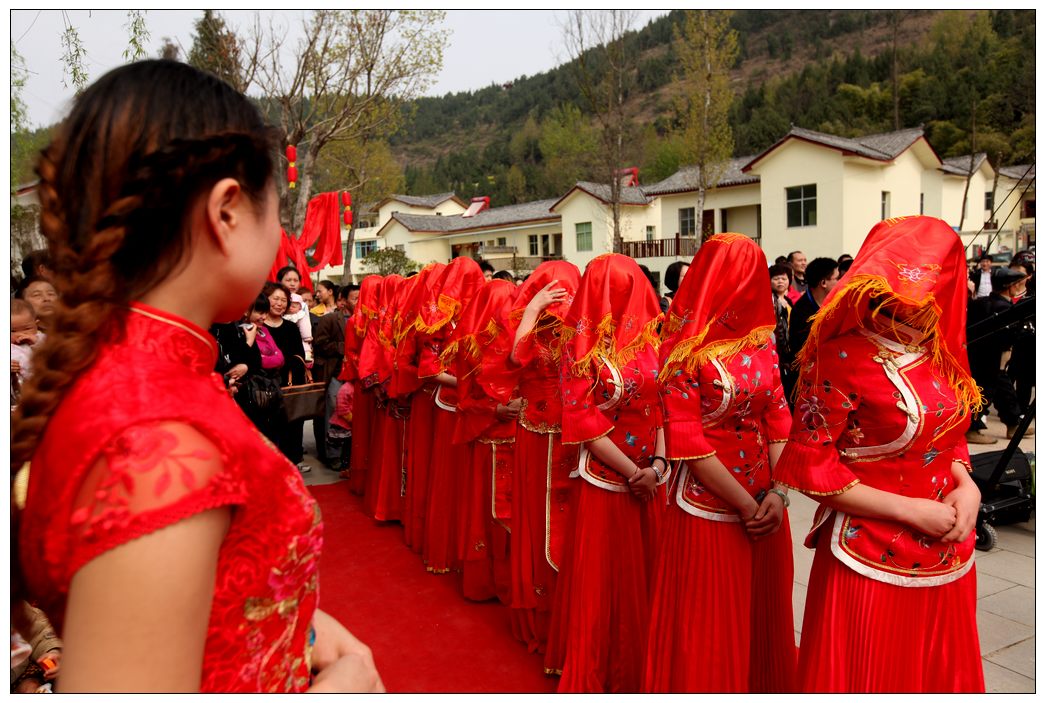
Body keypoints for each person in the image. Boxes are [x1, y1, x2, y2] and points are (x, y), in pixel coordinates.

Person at [11, 60, 380, 693]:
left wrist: (299, 627)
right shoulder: (159, 439)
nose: (281, 236)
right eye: (276, 211)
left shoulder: (131, 377)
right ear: (227, 212)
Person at [775, 216, 984, 693]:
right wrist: (909, 509)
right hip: (865, 550)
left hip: (948, 547)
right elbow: (811, 464)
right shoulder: (839, 355)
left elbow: (947, 438)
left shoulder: (940, 353)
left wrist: (967, 487)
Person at [644, 233, 796, 692]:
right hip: (708, 506)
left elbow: (778, 417)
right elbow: (687, 441)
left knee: (762, 614)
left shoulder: (761, 343)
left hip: (765, 502)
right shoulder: (680, 348)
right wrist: (750, 506)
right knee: (710, 622)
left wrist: (780, 493)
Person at [550, 253, 666, 693]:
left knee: (645, 580)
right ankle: (601, 669)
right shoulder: (578, 348)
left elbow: (663, 409)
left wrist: (656, 465)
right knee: (603, 587)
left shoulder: (649, 342)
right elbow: (581, 422)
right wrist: (633, 471)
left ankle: (641, 664)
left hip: (650, 478)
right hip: (605, 479)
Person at [482, 260, 581, 662]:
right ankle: (540, 615)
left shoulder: (583, 330)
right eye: (549, 291)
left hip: (576, 440)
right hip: (536, 438)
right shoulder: (529, 329)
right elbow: (511, 360)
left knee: (570, 528)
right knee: (537, 525)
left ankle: (572, 614)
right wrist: (533, 309)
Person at [966, 267, 1030, 443]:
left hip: (983, 356)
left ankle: (1013, 424)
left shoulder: (982, 302)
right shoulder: (1003, 308)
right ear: (1012, 286)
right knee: (985, 392)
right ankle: (971, 428)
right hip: (991, 358)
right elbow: (1008, 336)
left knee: (1003, 391)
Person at [263, 283, 312, 472]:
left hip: (291, 380)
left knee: (293, 420)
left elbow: (298, 355)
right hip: (268, 383)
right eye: (275, 298)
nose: (280, 304)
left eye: (284, 300)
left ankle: (294, 459)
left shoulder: (291, 327)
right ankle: (273, 461)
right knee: (271, 423)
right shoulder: (258, 326)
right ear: (266, 299)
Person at [313, 286, 350, 468]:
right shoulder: (329, 319)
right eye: (355, 297)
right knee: (334, 414)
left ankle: (349, 454)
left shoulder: (366, 320)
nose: (359, 301)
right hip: (336, 373)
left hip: (357, 376)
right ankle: (332, 454)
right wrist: (342, 347)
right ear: (343, 300)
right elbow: (319, 344)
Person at [787, 256, 840, 375]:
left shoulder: (836, 304)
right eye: (837, 278)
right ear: (823, 283)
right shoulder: (801, 311)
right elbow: (803, 350)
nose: (841, 282)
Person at [768, 263, 794, 401]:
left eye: (783, 279)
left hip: (788, 350)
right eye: (776, 278)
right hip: (775, 348)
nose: (780, 282)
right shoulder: (769, 301)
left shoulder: (789, 301)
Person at [11, 299, 45, 392]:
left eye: (27, 328)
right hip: (19, 390)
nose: (20, 334)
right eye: (12, 331)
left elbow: (53, 354)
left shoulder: (41, 338)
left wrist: (37, 342)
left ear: (36, 324)